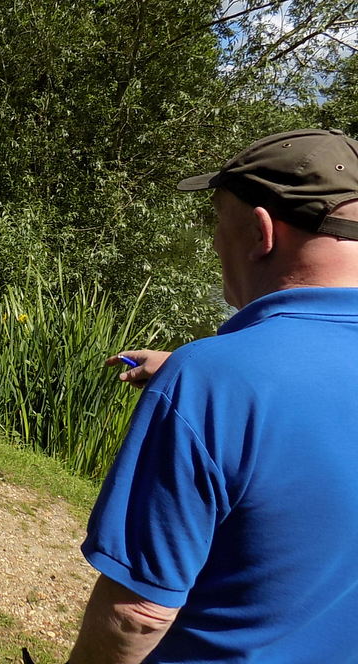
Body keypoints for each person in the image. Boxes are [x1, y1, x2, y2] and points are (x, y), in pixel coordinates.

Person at [68, 128, 358, 663]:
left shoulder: (213, 380)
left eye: (216, 221)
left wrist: (199, 381)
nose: (213, 242)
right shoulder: (215, 378)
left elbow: (137, 614)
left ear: (259, 230)